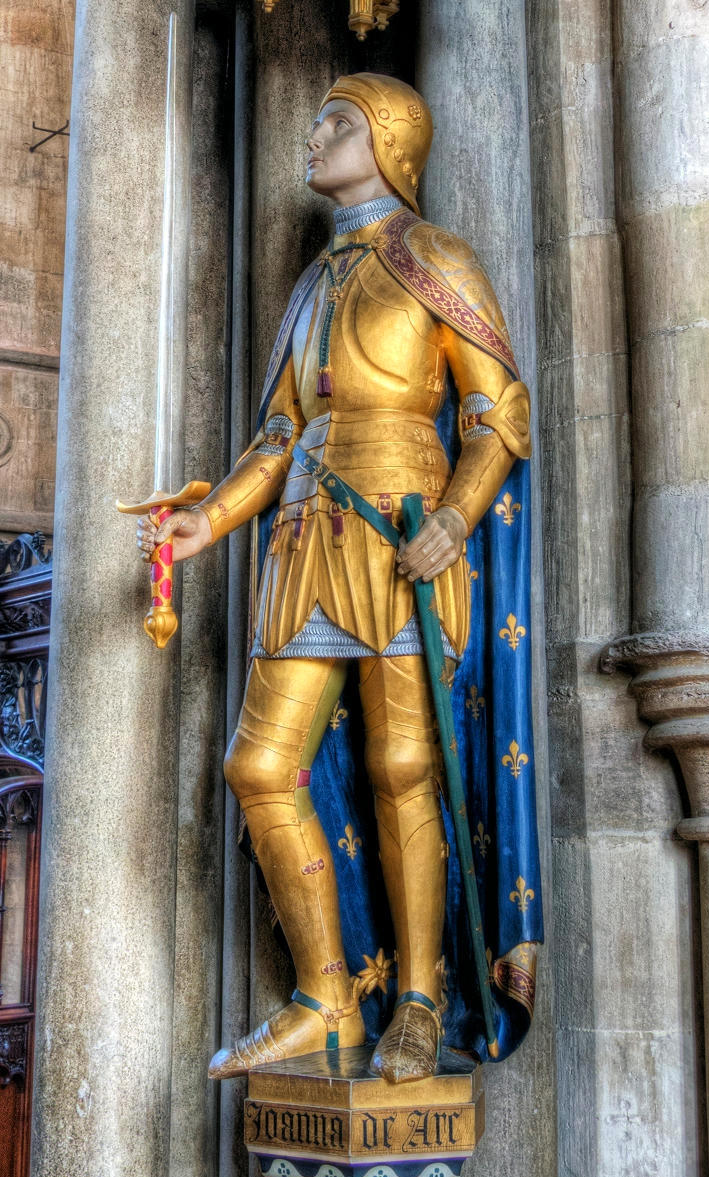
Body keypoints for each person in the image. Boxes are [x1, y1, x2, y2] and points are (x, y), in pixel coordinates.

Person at [137, 73, 538, 1083]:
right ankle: (325, 997)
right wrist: (208, 518)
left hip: (399, 526)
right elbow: (278, 433)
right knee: (259, 768)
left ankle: (416, 998)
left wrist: (453, 519)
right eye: (317, 119)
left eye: (336, 122)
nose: (313, 138)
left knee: (404, 766)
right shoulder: (315, 281)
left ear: (390, 141)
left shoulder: (435, 257)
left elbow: (500, 415)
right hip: (305, 537)